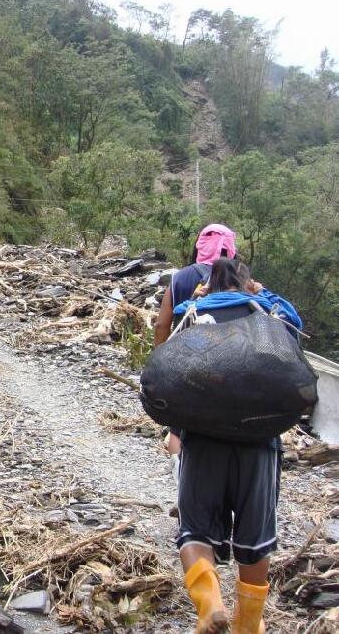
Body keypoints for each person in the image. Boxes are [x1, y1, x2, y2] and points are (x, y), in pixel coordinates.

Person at [172, 257, 301, 634]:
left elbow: (171, 358)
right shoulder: (265, 314)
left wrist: (199, 296)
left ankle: (209, 604)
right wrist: (262, 293)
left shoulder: (195, 312)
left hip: (203, 441)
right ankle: (248, 626)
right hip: (258, 444)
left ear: (208, 284)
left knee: (194, 531)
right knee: (255, 543)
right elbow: (295, 326)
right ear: (246, 282)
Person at [153, 223, 238, 488]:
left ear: (199, 245)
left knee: (179, 426)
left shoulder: (180, 278)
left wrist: (159, 359)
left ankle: (183, 485)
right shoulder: (241, 279)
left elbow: (161, 324)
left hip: (185, 361)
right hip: (234, 365)